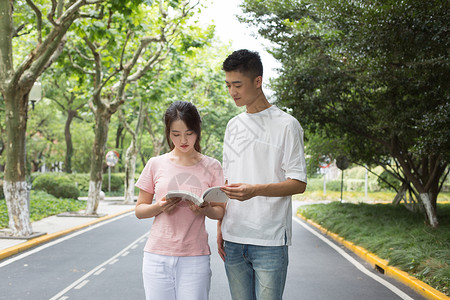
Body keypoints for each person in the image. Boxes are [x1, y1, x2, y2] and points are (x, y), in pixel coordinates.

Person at [218, 49, 307, 300]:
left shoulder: (287, 125)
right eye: (228, 85)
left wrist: (255, 190)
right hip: (233, 236)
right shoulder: (233, 125)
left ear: (258, 81)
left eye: (237, 84)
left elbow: (298, 183)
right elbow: (227, 179)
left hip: (269, 239)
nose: (232, 92)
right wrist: (219, 226)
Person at [135, 101, 225, 300]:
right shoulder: (155, 164)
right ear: (168, 133)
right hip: (157, 256)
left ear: (197, 130)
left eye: (189, 133)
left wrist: (205, 210)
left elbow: (220, 211)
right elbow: (139, 210)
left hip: (195, 257)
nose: (183, 140)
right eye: (176, 134)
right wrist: (159, 207)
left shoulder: (212, 166)